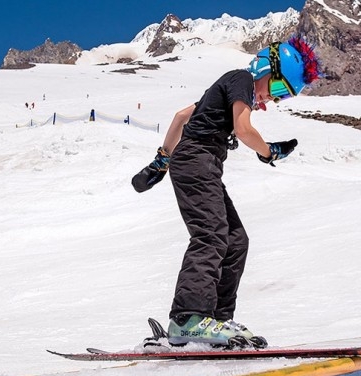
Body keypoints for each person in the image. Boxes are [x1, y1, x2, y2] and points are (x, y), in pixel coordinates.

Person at [132, 37, 322, 347]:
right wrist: (269, 152)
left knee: (236, 240)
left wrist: (162, 159)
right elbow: (245, 129)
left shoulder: (227, 89)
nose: (270, 100)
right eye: (276, 90)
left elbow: (182, 116)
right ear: (265, 68)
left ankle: (217, 320)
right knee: (211, 235)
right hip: (196, 162)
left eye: (281, 98)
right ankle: (188, 318)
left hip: (199, 164)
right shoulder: (242, 80)